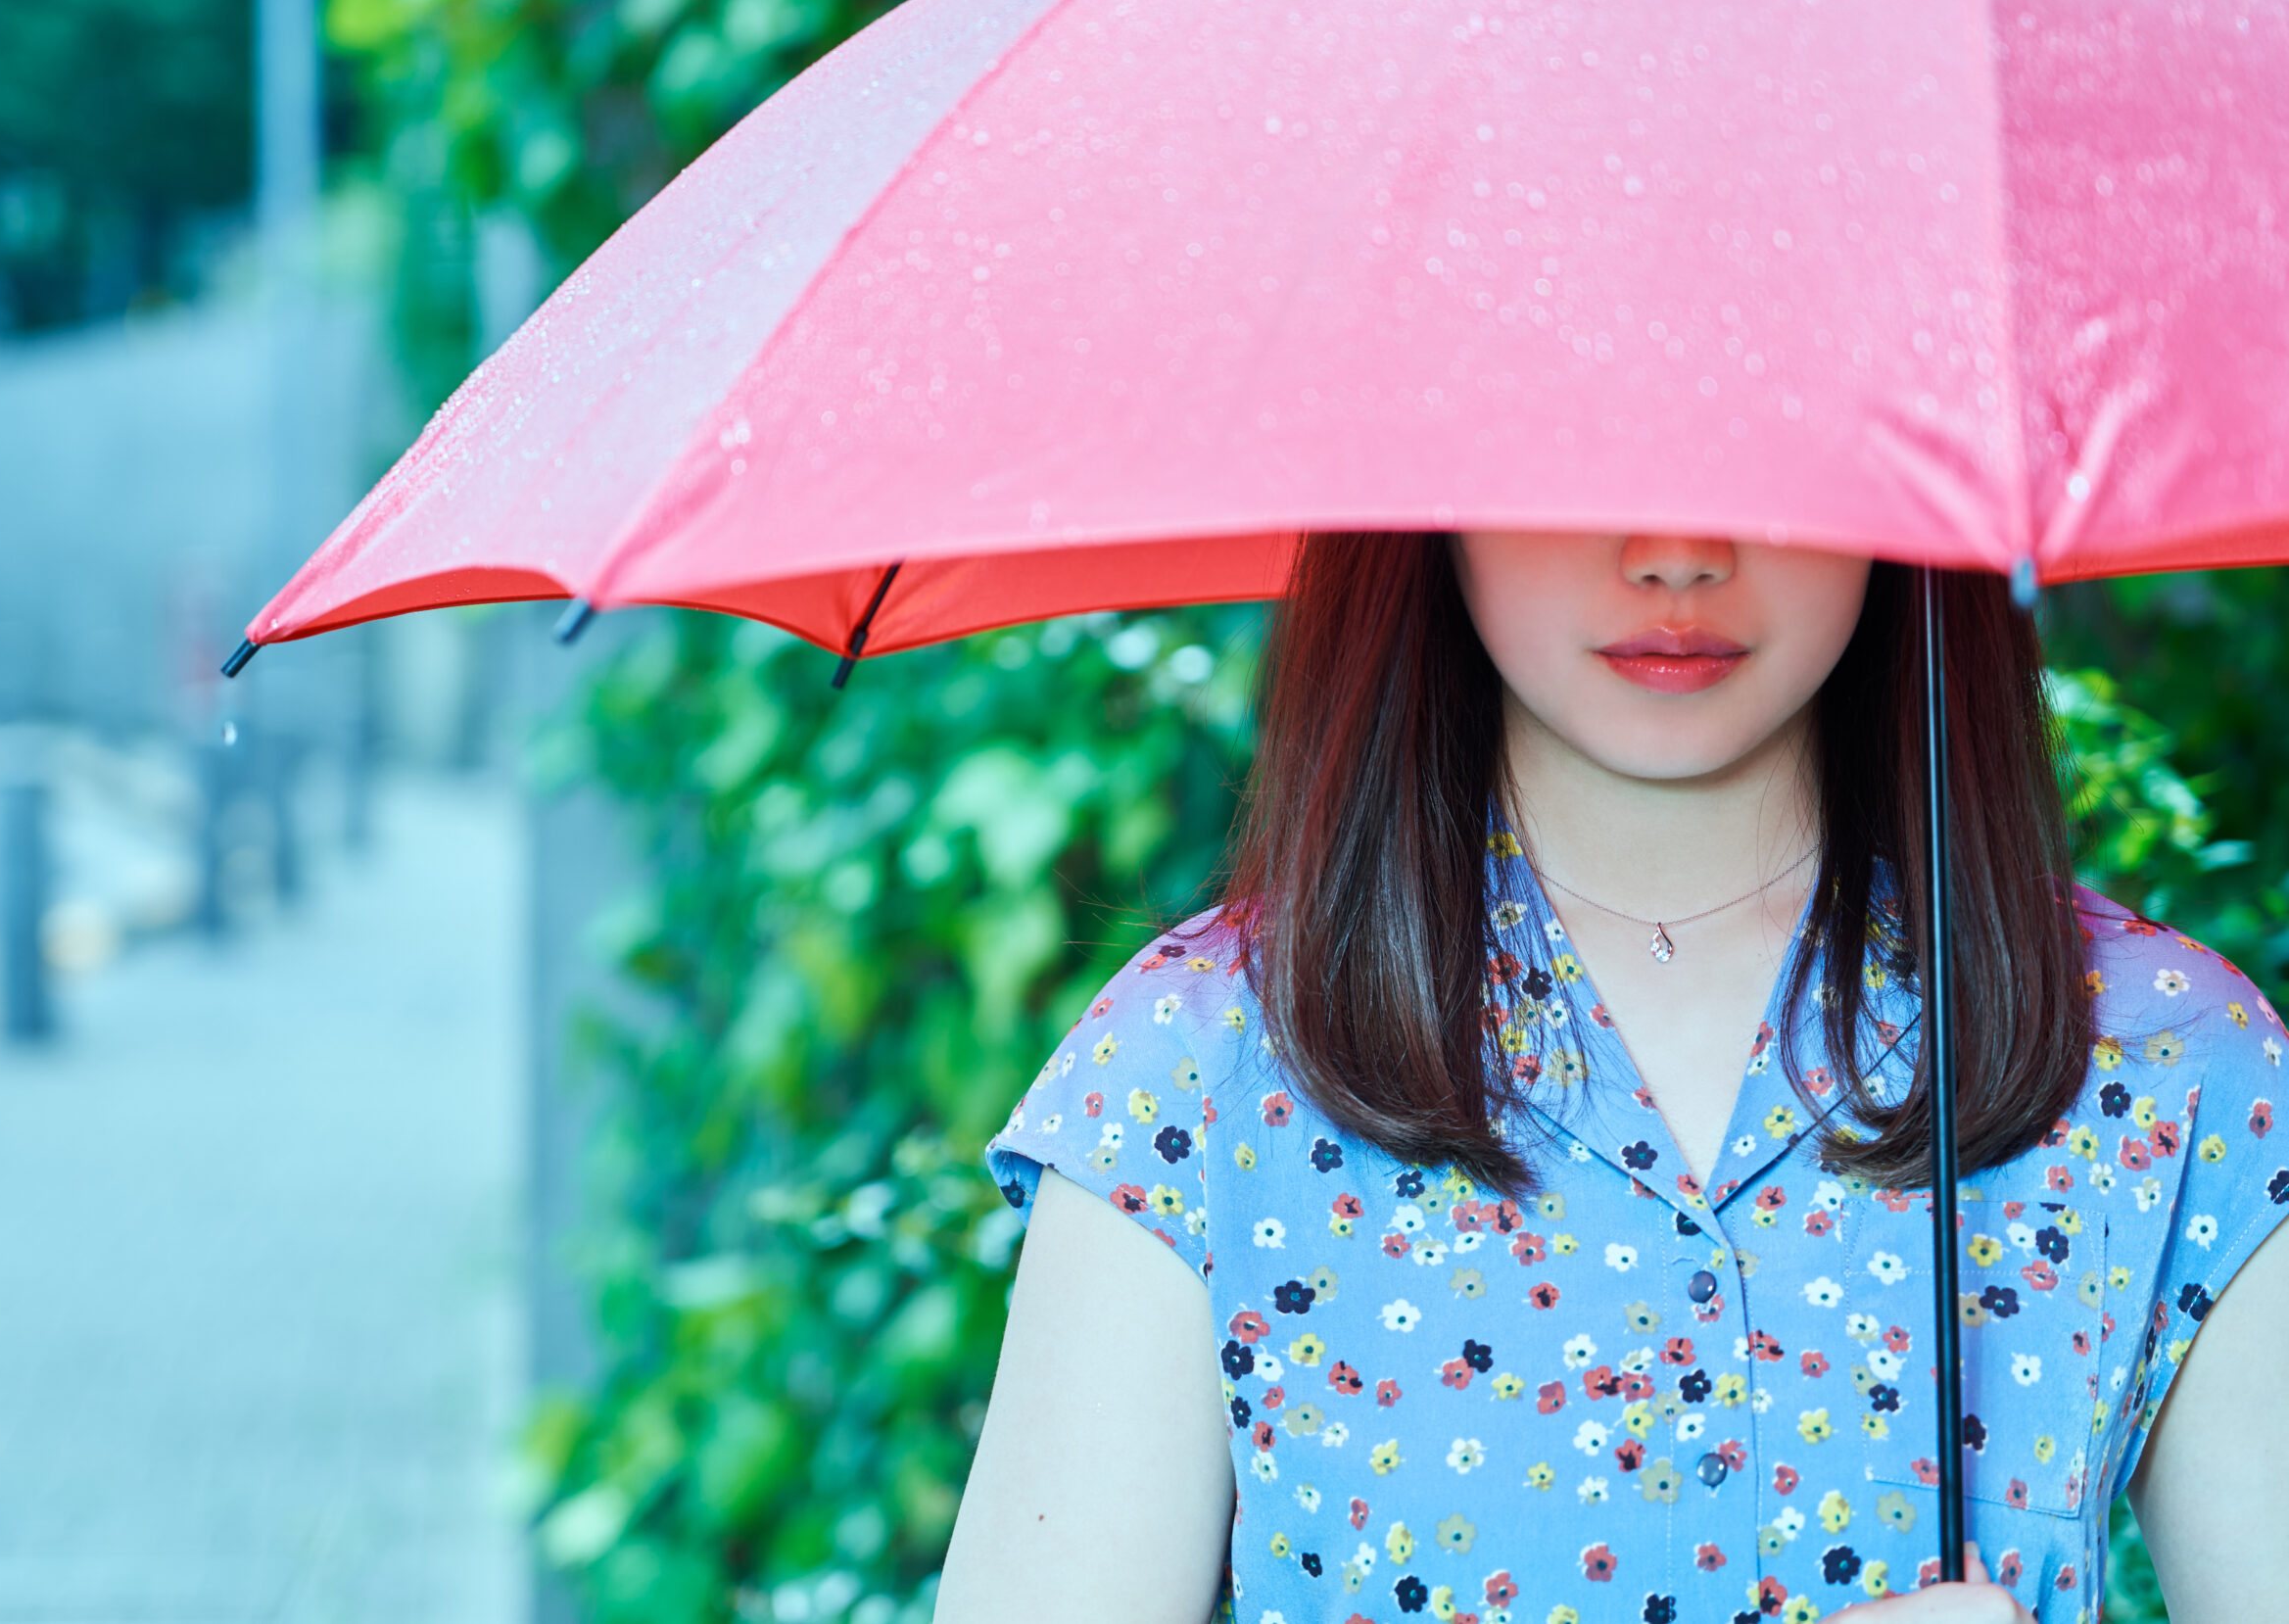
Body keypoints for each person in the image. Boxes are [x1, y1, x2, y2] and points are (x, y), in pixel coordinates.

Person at [933, 533, 2289, 1624]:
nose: (1678, 551)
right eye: (1584, 450)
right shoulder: (1201, 1075)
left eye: (1766, 444)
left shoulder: (2170, 1066)